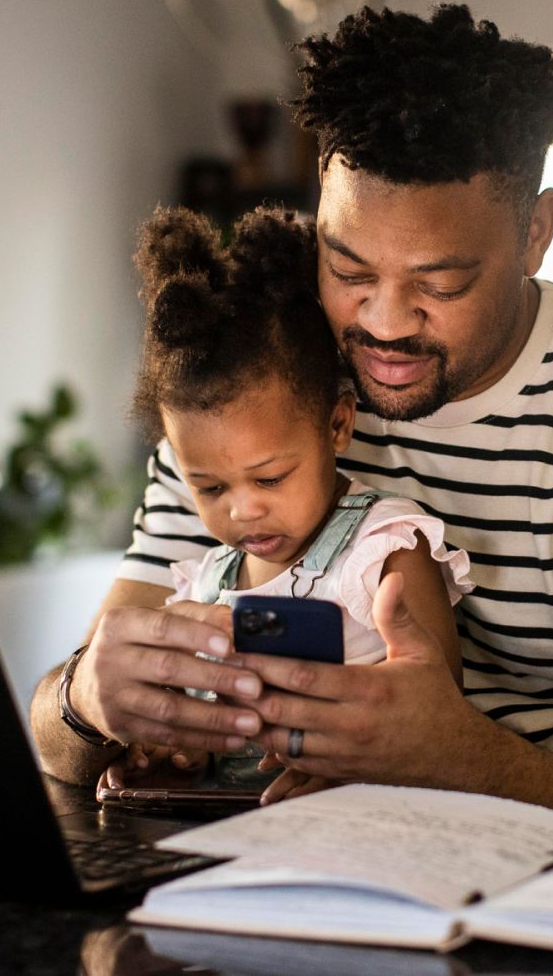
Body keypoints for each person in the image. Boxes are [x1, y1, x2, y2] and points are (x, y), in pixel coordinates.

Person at [33, 4, 553, 835]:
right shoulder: (256, 398)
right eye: (348, 266)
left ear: (536, 232)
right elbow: (57, 743)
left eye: (441, 283)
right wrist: (87, 699)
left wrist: (460, 760)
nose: (387, 323)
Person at [118, 204, 472, 801]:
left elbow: (437, 717)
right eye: (209, 488)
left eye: (271, 478)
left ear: (338, 425)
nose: (242, 511)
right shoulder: (205, 585)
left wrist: (354, 757)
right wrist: (175, 745)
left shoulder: (383, 551)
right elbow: (194, 715)